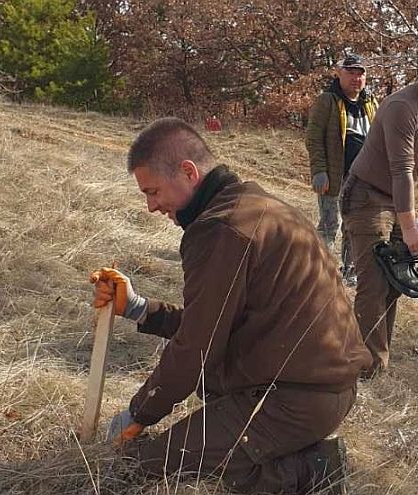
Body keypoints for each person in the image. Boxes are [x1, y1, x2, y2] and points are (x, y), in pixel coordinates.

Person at [90, 117, 371, 494]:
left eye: (153, 191)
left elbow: (197, 349)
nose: (151, 206)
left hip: (292, 399)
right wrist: (141, 309)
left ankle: (314, 469)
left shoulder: (220, 228)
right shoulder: (257, 205)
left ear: (188, 172)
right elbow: (218, 322)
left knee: (144, 468)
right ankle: (286, 451)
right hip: (319, 391)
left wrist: (139, 414)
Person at [340, 37, 418, 377]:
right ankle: (364, 368)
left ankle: (376, 359)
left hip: (398, 198)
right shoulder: (402, 107)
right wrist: (411, 227)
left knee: (396, 280)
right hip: (367, 196)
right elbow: (403, 169)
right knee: (374, 283)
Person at [306, 54, 378, 286]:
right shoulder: (327, 100)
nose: (356, 78)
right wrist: (319, 171)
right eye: (351, 72)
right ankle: (317, 271)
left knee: (354, 227)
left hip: (362, 179)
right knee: (329, 225)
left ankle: (350, 273)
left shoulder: (371, 103)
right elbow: (314, 137)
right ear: (339, 74)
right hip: (334, 175)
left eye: (361, 73)